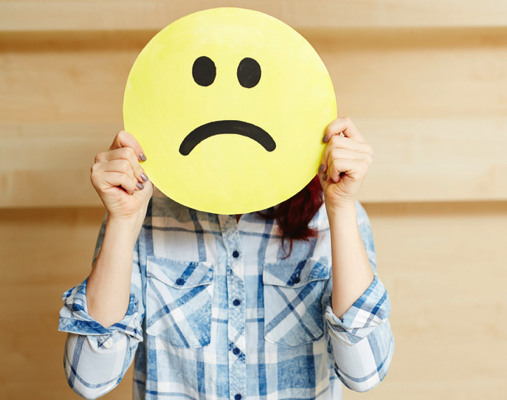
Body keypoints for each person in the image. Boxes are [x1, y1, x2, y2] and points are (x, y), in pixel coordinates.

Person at [58, 117, 394, 400]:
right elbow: (90, 378)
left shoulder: (333, 215)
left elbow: (364, 372)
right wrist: (123, 221)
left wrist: (341, 207)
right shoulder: (141, 215)